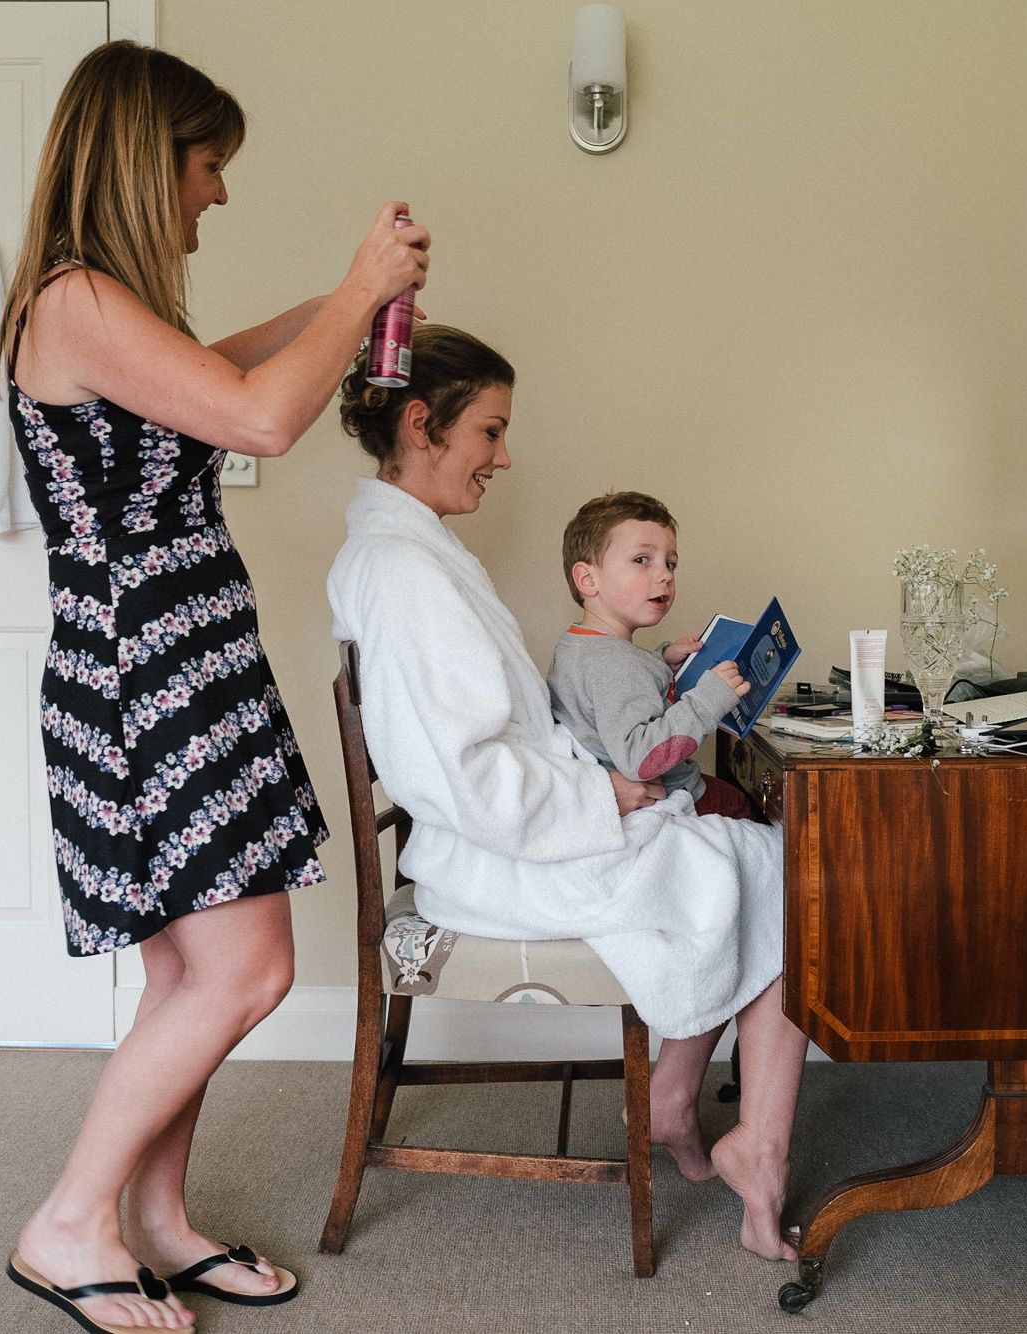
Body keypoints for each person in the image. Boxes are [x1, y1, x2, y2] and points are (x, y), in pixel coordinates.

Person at [0, 41, 428, 1334]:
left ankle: (160, 1222)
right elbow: (253, 417)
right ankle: (70, 1217)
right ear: (147, 159)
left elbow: (229, 376)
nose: (217, 195)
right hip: (151, 679)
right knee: (241, 974)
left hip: (179, 665)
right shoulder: (72, 300)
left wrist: (339, 303)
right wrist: (356, 293)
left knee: (189, 972)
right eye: (207, 166)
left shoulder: (105, 311)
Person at [326, 325, 805, 1262]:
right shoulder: (402, 572)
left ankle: (688, 1105)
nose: (504, 458)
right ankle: (749, 1139)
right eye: (491, 432)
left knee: (756, 858)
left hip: (522, 828)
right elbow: (457, 773)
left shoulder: (419, 557)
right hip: (505, 855)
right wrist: (607, 800)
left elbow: (509, 729)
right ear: (423, 424)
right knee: (791, 875)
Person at [548, 491, 761, 820]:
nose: (665, 574)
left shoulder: (580, 645)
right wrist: (707, 701)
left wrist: (660, 661)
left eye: (670, 563)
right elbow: (640, 759)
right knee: (757, 813)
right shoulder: (616, 664)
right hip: (673, 795)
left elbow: (609, 699)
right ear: (588, 580)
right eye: (642, 560)